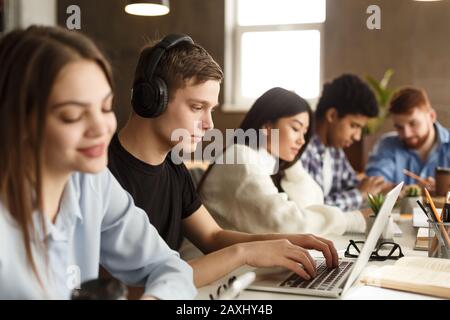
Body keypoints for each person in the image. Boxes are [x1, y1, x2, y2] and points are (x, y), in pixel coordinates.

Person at [108, 34, 339, 288]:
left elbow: (212, 236)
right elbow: (139, 284)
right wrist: (245, 253)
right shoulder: (105, 175)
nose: (209, 125)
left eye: (212, 109)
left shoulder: (173, 166)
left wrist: (288, 240)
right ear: (151, 100)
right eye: (197, 107)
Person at [0, 26, 196, 300]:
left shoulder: (91, 181)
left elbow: (170, 267)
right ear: (18, 122)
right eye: (72, 116)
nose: (101, 128)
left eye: (105, 108)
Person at [198, 87, 366, 236]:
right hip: (215, 264)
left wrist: (293, 166)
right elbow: (287, 224)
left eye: (304, 132)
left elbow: (313, 202)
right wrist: (352, 220)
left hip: (245, 261)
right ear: (267, 126)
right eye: (295, 128)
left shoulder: (271, 162)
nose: (302, 140)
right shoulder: (241, 158)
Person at [301, 74, 387, 212]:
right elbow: (312, 209)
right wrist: (359, 195)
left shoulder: (334, 148)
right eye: (354, 126)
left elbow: (353, 184)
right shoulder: (301, 147)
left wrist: (382, 188)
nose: (357, 137)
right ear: (332, 115)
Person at [365, 86, 450, 189]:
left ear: (431, 116)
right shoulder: (386, 145)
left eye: (413, 124)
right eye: (399, 127)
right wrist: (413, 191)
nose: (406, 134)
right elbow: (373, 186)